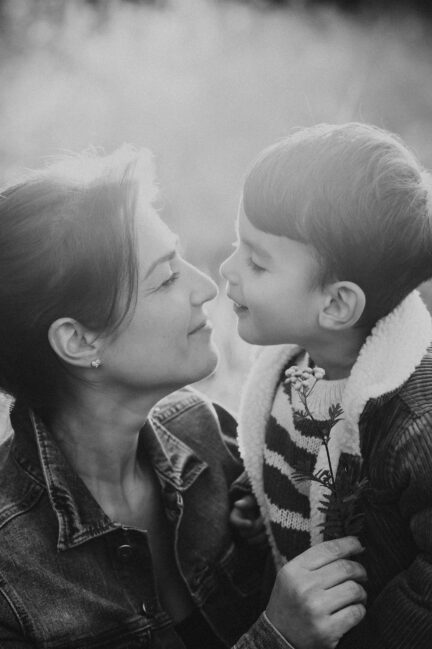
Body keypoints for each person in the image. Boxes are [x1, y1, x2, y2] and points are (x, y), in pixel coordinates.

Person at [0, 146, 367, 649]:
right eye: (166, 278)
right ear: (81, 341)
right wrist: (277, 637)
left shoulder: (206, 432)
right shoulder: (10, 573)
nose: (205, 288)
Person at [221, 122, 432, 649]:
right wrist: (260, 502)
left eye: (256, 261)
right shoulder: (293, 366)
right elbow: (291, 456)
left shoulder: (413, 423)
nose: (228, 270)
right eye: (235, 245)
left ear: (336, 305)